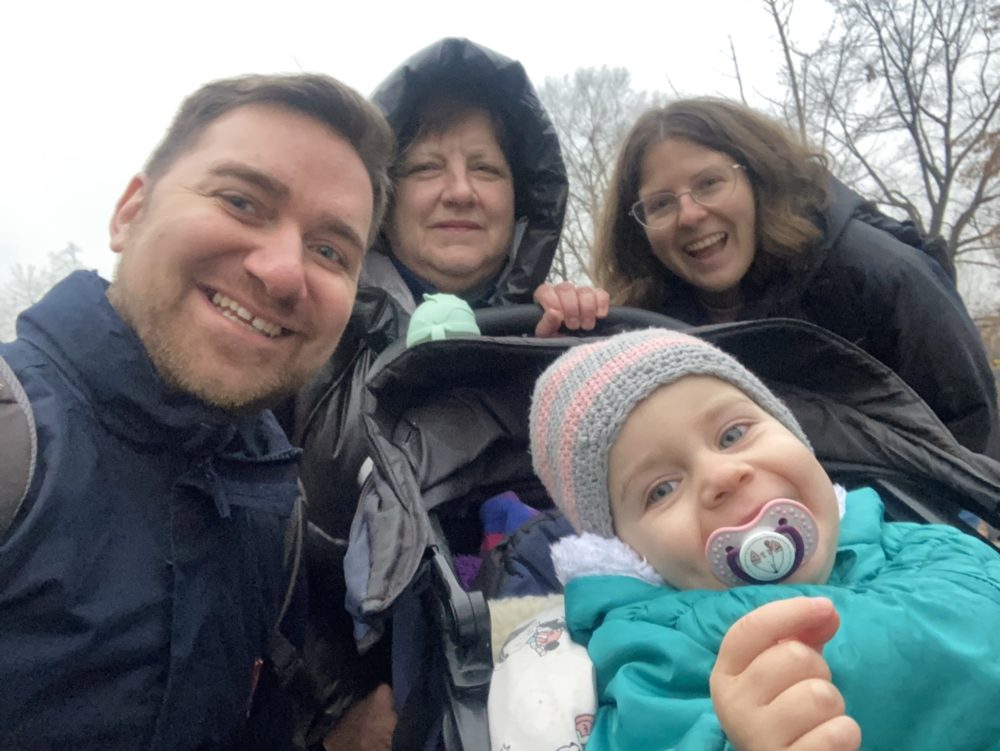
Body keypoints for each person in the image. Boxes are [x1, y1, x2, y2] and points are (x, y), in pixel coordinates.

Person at [0, 73, 393, 750]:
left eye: (330, 250)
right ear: (129, 212)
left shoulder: (273, 513)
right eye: (241, 201)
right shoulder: (13, 438)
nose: (282, 271)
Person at [282, 38, 604, 745]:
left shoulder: (573, 335)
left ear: (521, 199)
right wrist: (327, 720)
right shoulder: (301, 337)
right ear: (383, 199)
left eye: (485, 168)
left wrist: (579, 351)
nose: (459, 190)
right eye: (427, 166)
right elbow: (246, 558)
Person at [489, 328, 1000, 750]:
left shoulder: (932, 546)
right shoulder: (656, 655)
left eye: (733, 434)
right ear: (628, 553)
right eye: (662, 489)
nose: (722, 475)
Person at [586, 98, 999, 460]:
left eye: (709, 183)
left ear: (756, 177)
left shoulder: (881, 272)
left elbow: (973, 426)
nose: (690, 215)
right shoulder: (645, 328)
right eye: (660, 204)